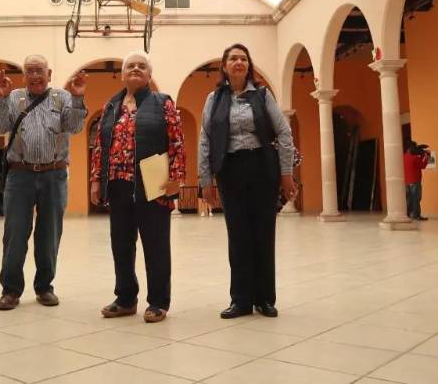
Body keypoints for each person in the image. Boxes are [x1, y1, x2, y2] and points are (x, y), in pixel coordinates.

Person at [199, 44, 296, 320]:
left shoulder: (263, 95)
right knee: (238, 235)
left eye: (243, 58)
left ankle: (265, 298)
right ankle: (240, 299)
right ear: (225, 66)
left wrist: (286, 174)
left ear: (248, 65)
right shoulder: (213, 99)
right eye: (233, 58)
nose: (238, 62)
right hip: (229, 170)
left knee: (264, 233)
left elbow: (284, 133)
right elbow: (205, 138)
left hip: (262, 167)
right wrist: (206, 179)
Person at [89, 52, 186, 323]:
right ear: (122, 75)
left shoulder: (162, 102)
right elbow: (100, 145)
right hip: (118, 184)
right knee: (121, 244)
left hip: (153, 183)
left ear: (149, 75)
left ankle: (158, 301)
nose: (135, 69)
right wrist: (97, 179)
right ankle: (125, 298)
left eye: (141, 66)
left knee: (155, 244)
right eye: (130, 66)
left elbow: (177, 142)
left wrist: (176, 179)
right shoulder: (112, 106)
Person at [0, 55, 88, 310]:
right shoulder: (14, 98)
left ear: (49, 73)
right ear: (24, 76)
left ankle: (44, 287)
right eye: (30, 71)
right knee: (15, 234)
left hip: (53, 175)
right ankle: (11, 290)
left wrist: (77, 97)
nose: (35, 75)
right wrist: (1, 98)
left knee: (49, 234)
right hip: (19, 175)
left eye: (39, 71)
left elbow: (76, 127)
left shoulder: (62, 98)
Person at [404, 141, 430, 221]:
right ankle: (416, 216)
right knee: (416, 199)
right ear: (411, 148)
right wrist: (426, 156)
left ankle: (408, 215)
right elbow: (423, 165)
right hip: (415, 181)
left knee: (408, 199)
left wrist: (421, 154)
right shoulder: (414, 157)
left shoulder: (403, 156)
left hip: (406, 182)